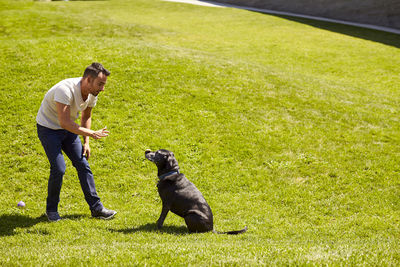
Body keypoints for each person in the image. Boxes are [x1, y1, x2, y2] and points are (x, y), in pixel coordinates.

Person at [36, 62, 117, 222]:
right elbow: (64, 122)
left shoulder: (92, 93)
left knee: (83, 165)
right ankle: (51, 210)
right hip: (49, 129)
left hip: (69, 130)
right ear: (88, 79)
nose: (102, 89)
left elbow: (86, 116)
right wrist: (92, 133)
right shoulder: (64, 90)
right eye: (100, 84)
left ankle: (97, 208)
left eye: (104, 84)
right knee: (59, 168)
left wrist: (86, 141)